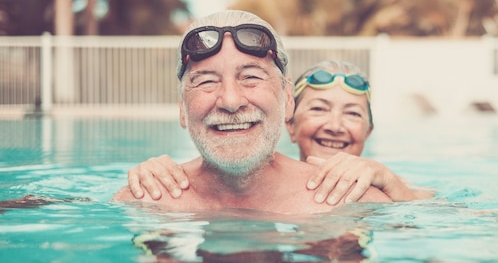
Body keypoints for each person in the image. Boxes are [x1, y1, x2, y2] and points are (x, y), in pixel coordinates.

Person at [111, 10, 391, 213]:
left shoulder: (354, 201)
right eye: (207, 81)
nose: (231, 101)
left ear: (287, 100)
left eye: (251, 77)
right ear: (182, 109)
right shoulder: (145, 203)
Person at [126, 60, 434, 205]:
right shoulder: (262, 177)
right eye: (318, 109)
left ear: (369, 131)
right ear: (289, 122)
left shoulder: (386, 189)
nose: (335, 125)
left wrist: (394, 187)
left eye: (352, 114)